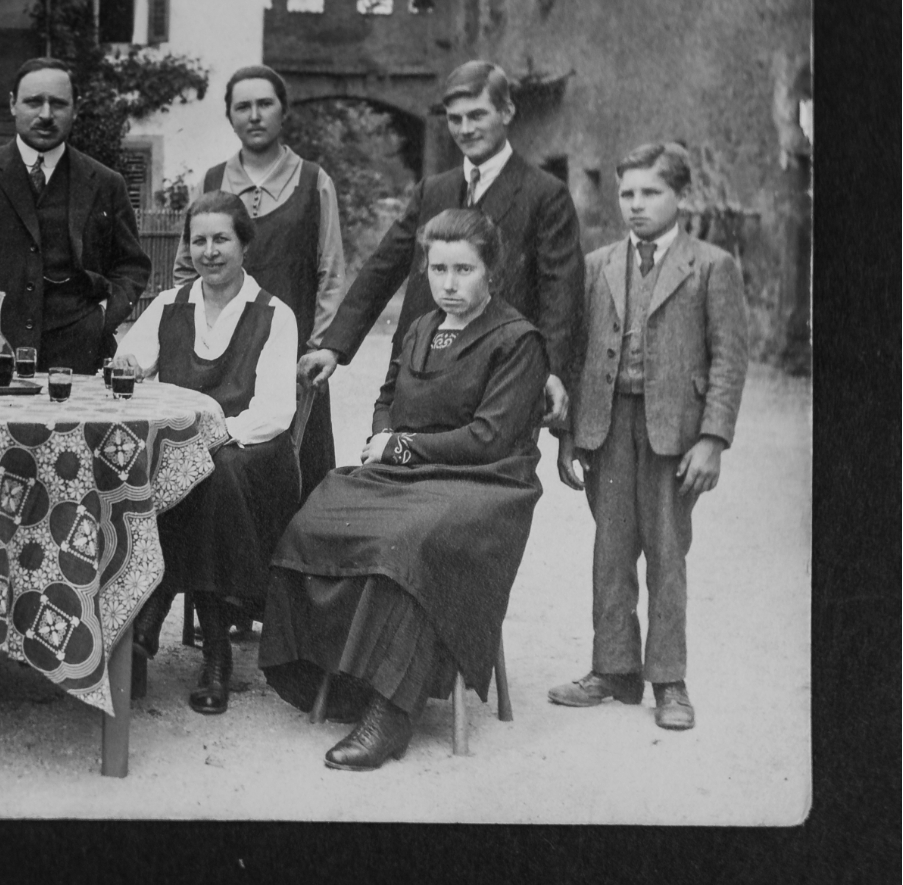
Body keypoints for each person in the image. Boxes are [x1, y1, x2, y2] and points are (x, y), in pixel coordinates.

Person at [259, 208, 549, 770]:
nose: (448, 283)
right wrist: (382, 438)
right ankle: (336, 675)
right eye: (437, 269)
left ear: (491, 270)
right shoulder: (420, 328)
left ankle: (393, 710)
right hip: (407, 471)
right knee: (315, 519)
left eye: (463, 269)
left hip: (484, 484)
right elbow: (387, 397)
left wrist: (401, 449)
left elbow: (490, 437)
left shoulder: (517, 340)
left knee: (406, 543)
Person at [0, 55, 152, 654]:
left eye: (58, 104)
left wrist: (106, 315)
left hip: (72, 356)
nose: (45, 115)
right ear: (13, 106)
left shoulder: (103, 181)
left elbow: (132, 265)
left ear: (74, 110)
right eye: (34, 102)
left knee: (66, 486)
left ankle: (70, 618)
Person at [548, 143, 749, 731]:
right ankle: (613, 669)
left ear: (679, 195)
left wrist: (712, 438)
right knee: (609, 551)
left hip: (675, 434)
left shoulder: (711, 265)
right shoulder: (598, 264)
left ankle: (669, 680)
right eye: (628, 193)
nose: (636, 204)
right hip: (605, 427)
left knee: (666, 555)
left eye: (651, 193)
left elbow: (729, 359)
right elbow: (579, 351)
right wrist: (568, 435)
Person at [299, 60, 584, 435]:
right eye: (455, 119)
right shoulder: (433, 191)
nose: (465, 129)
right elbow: (382, 269)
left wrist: (553, 371)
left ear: (507, 111)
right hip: (418, 373)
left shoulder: (545, 194)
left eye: (477, 115)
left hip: (497, 379)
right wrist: (333, 347)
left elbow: (561, 295)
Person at [117, 191, 301, 715]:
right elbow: (127, 364)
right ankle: (213, 646)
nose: (209, 251)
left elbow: (273, 414)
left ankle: (159, 610)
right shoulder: (170, 305)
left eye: (221, 238)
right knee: (192, 473)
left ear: (244, 244)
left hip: (253, 460)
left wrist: (206, 440)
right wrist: (129, 366)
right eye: (198, 240)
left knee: (209, 473)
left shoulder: (273, 314)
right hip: (194, 466)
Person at [175, 65, 344, 495]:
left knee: (297, 477)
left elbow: (331, 273)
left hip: (294, 361)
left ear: (283, 112)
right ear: (229, 116)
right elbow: (184, 273)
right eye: (242, 106)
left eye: (264, 104)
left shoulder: (313, 181)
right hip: (224, 363)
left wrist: (317, 349)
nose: (254, 115)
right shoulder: (212, 182)